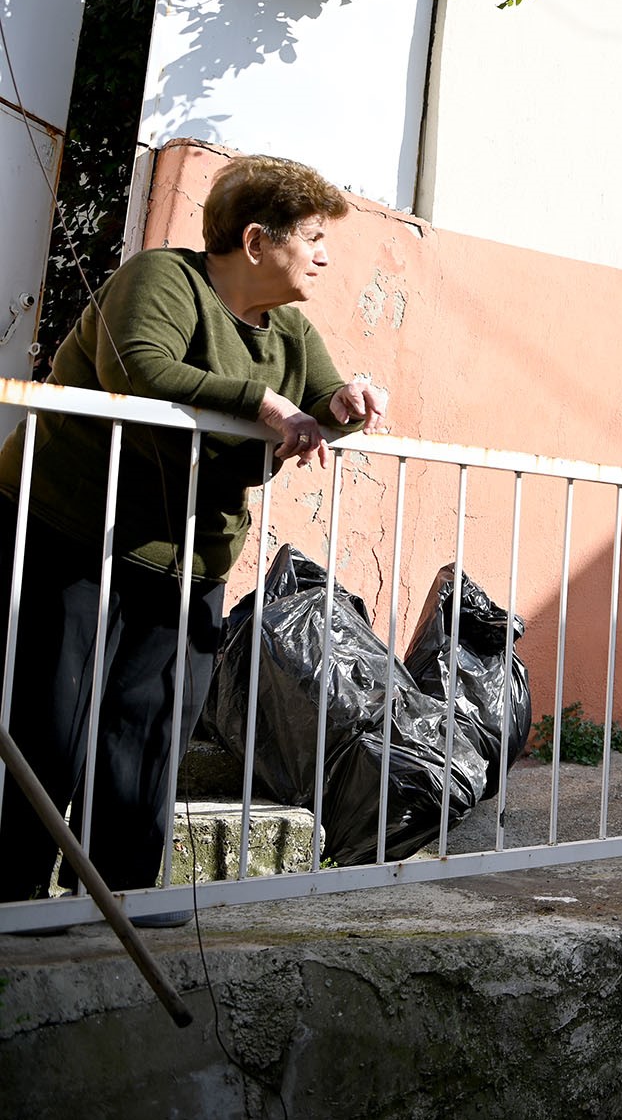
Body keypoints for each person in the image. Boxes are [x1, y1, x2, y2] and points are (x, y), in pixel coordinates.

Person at [0, 154, 388, 919]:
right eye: (311, 236)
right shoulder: (162, 280)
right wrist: (266, 405)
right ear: (253, 241)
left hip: (190, 556)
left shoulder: (290, 332)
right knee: (50, 718)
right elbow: (137, 366)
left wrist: (342, 404)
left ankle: (124, 900)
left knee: (151, 727)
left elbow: (314, 405)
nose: (324, 254)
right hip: (72, 529)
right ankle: (13, 898)